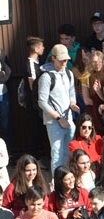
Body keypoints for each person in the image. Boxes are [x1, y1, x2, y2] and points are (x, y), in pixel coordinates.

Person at [38, 44, 79, 172]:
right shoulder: (46, 77)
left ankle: (67, 179)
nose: (64, 63)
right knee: (57, 154)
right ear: (53, 58)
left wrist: (73, 104)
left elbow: (71, 93)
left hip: (69, 118)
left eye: (66, 60)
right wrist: (58, 117)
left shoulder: (69, 74)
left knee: (69, 152)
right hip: (54, 121)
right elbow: (42, 102)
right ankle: (57, 183)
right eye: (61, 60)